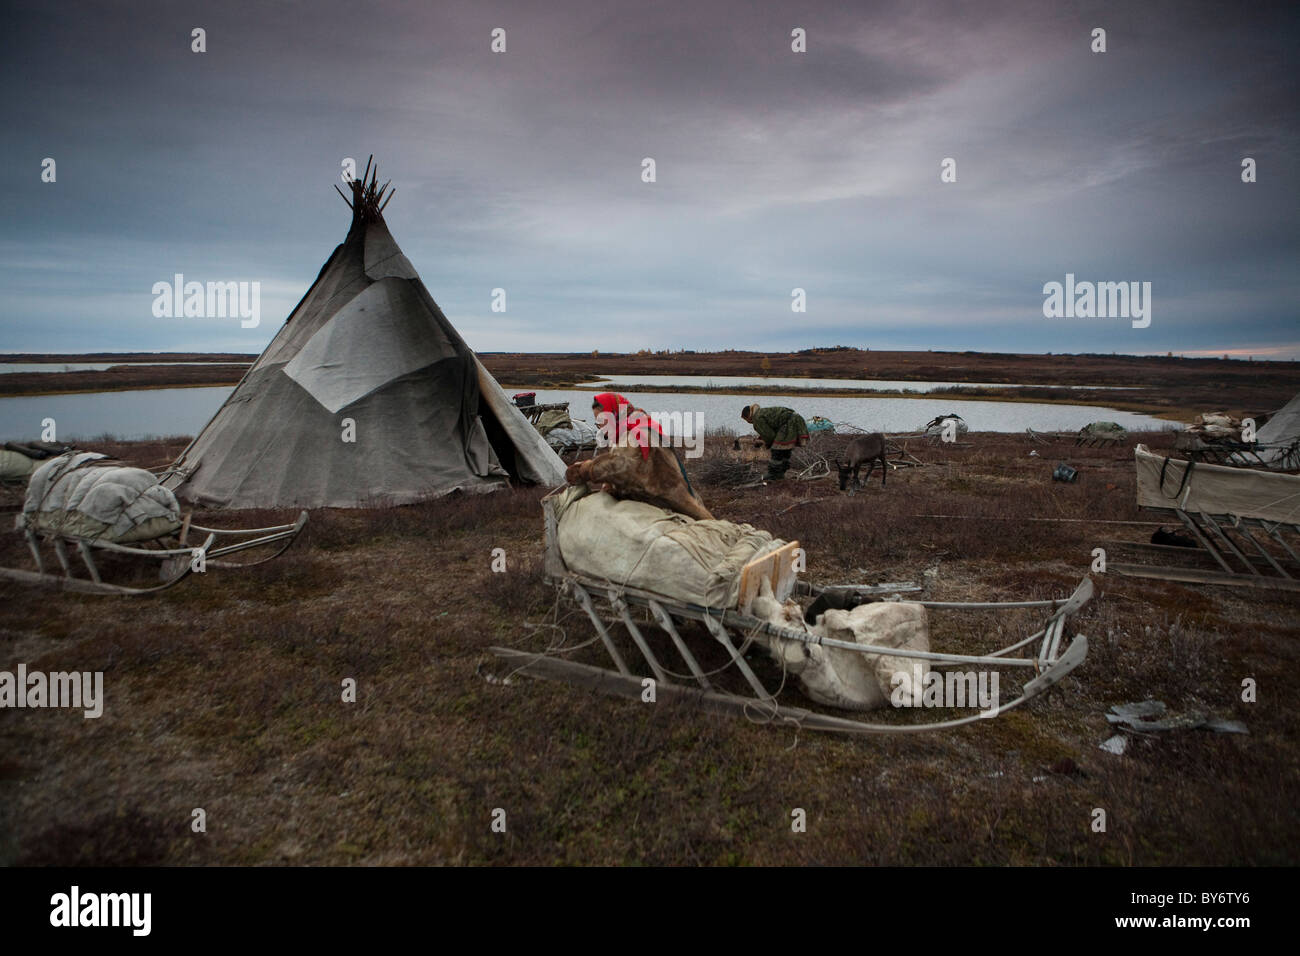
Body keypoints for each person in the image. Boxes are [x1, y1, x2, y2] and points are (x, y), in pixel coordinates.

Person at [565, 392, 713, 520]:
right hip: (668, 497)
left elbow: (621, 465)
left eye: (602, 420)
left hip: (669, 502)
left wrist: (586, 469)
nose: (601, 427)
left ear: (614, 413)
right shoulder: (638, 426)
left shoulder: (636, 434)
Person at [741, 404, 810, 481]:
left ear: (748, 417)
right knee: (784, 449)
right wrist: (761, 440)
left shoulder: (757, 418)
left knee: (777, 449)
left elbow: (770, 436)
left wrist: (764, 443)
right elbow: (771, 429)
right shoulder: (761, 412)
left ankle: (773, 474)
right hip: (794, 420)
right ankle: (780, 474)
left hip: (788, 423)